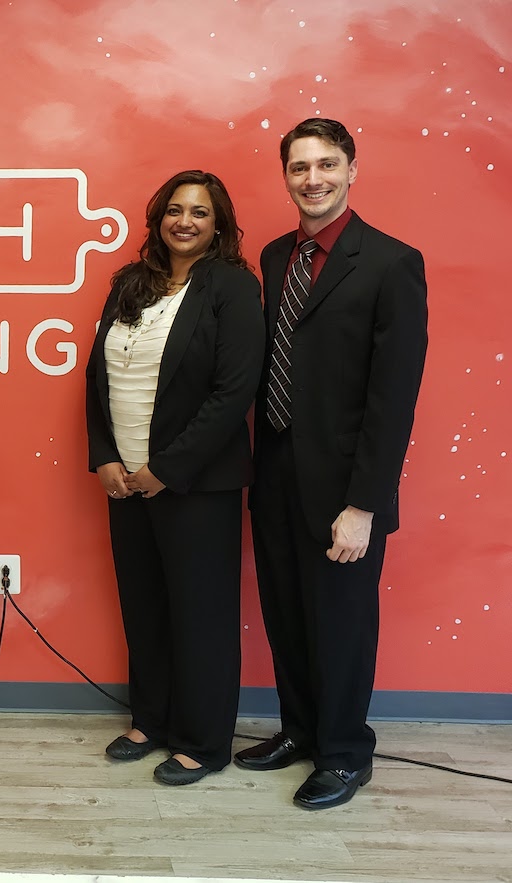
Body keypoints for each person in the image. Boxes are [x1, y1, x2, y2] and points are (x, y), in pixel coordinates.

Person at [236, 119, 428, 809]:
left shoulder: (391, 262)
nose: (312, 178)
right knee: (286, 612)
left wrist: (365, 504)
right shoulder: (272, 256)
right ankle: (301, 731)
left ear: (351, 169)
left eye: (326, 164)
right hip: (277, 467)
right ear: (285, 175)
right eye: (298, 167)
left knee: (341, 623)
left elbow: (393, 397)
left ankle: (346, 753)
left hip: (346, 486)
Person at [85, 170, 264, 786]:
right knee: (146, 608)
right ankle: (152, 720)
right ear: (158, 217)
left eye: (201, 213)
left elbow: (233, 390)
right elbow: (97, 374)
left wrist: (166, 469)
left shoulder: (234, 288)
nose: (185, 221)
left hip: (194, 484)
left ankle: (205, 741)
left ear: (219, 225)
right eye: (175, 210)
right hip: (125, 481)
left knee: (200, 615)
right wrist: (106, 454)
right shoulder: (130, 284)